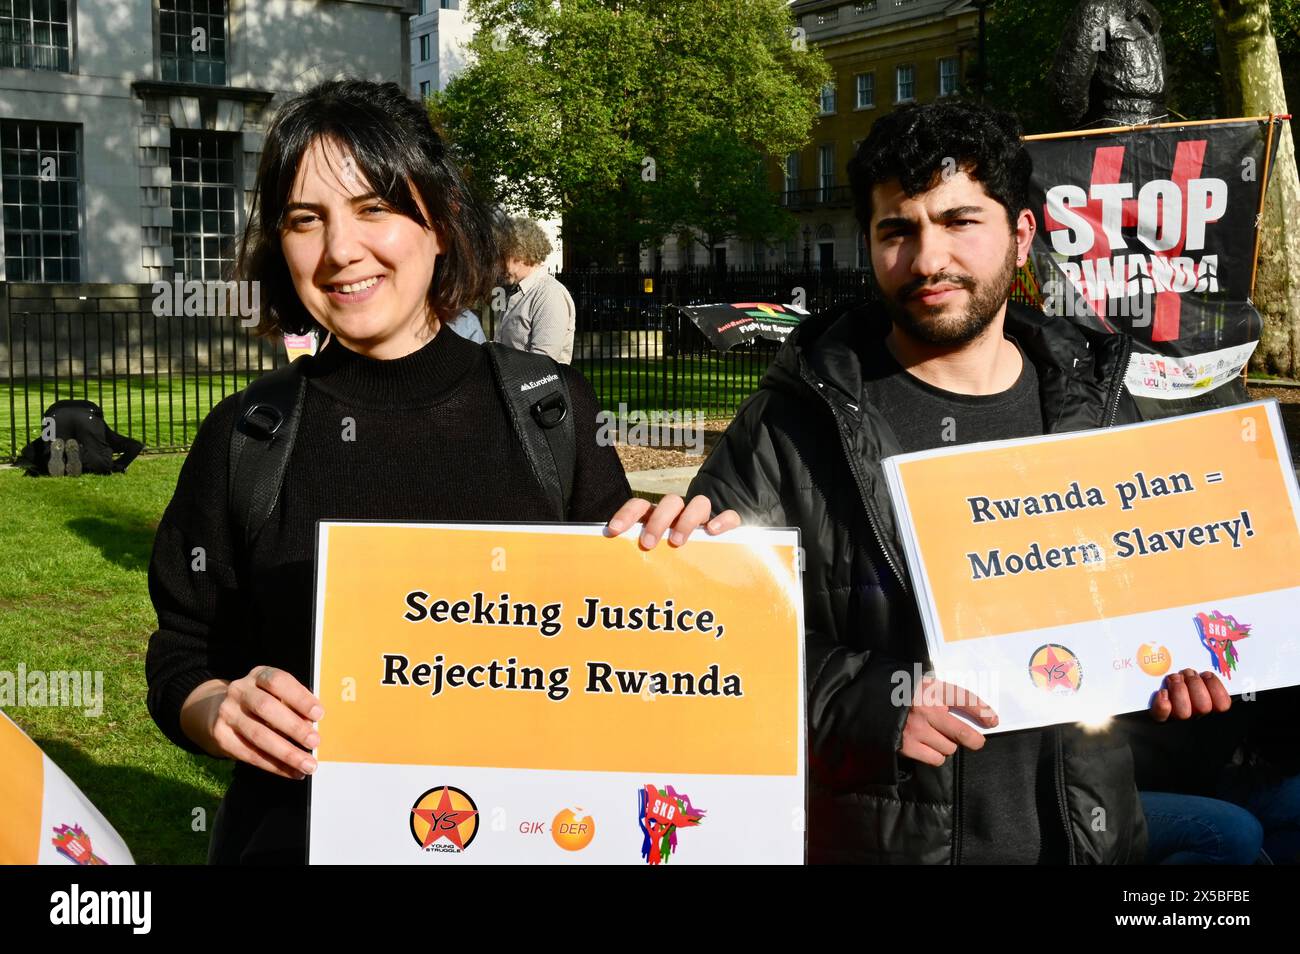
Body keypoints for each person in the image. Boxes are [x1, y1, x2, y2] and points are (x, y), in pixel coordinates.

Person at [144, 79, 735, 865]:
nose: (340, 249)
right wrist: (212, 706)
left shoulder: (546, 411)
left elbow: (625, 648)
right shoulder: (247, 436)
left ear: (441, 220)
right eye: (304, 220)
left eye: (374, 208)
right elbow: (183, 648)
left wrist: (683, 569)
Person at [687, 100, 1228, 864]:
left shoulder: (1105, 413)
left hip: (1091, 843)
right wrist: (870, 704)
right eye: (897, 230)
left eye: (960, 221)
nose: (929, 259)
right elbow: (709, 637)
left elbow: (1166, 614)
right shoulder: (794, 422)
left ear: (1023, 235)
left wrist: (1186, 676)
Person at [492, 216, 576, 363]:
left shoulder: (550, 295)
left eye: (502, 258)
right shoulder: (515, 292)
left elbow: (542, 365)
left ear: (523, 254)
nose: (497, 265)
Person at [17, 398, 143, 477]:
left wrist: (30, 455)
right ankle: (79, 454)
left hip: (52, 416)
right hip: (88, 416)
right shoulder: (104, 433)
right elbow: (136, 446)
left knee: (45, 452)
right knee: (103, 464)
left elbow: (28, 451)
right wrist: (117, 466)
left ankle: (54, 458)